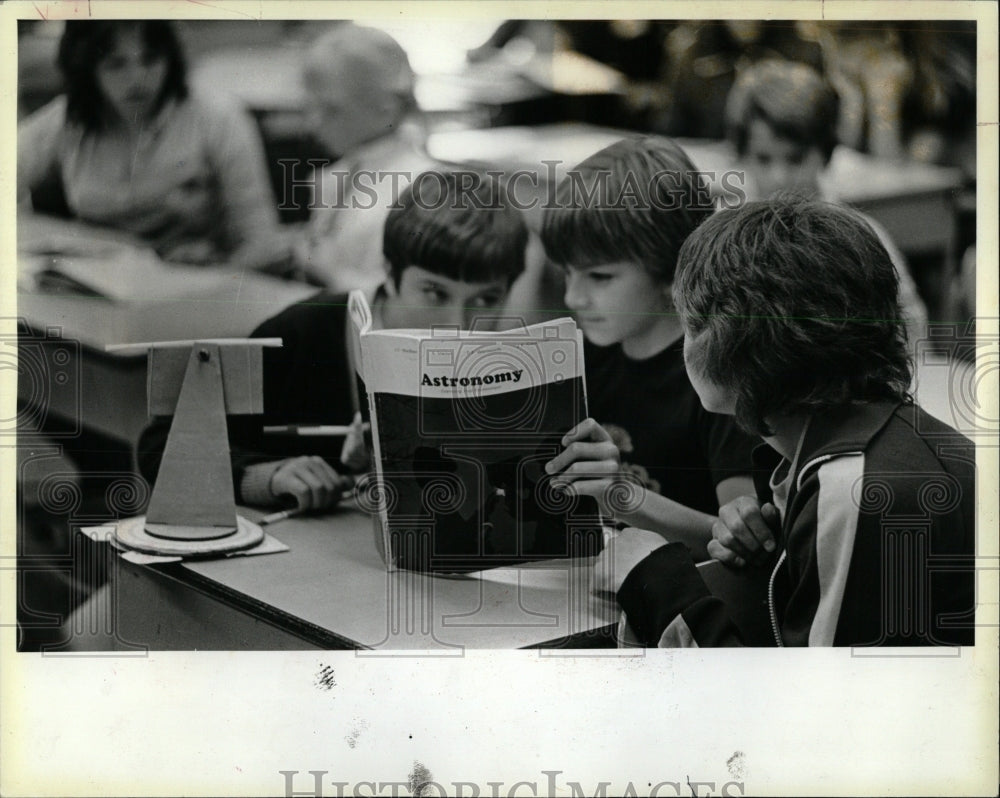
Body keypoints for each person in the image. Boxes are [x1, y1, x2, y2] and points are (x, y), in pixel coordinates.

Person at [598, 198, 975, 647]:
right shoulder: (877, 441)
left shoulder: (850, 487)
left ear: (736, 348)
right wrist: (778, 554)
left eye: (692, 326)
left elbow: (802, 705)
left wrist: (653, 576)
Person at [138, 170, 528, 512]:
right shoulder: (302, 333)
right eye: (433, 293)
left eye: (486, 299)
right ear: (389, 274)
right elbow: (161, 443)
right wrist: (268, 476)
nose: (456, 325)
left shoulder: (514, 363)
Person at [540, 136, 758, 561]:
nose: (573, 297)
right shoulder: (584, 354)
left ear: (672, 270)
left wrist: (623, 496)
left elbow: (742, 541)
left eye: (600, 277)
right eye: (567, 273)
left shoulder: (724, 375)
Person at [17, 20, 282, 267]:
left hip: (195, 285)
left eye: (151, 59)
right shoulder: (67, 119)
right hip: (97, 283)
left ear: (171, 58)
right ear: (87, 68)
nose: (137, 78)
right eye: (116, 64)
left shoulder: (218, 117)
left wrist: (216, 273)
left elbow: (263, 240)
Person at [724, 59, 928, 346]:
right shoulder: (726, 240)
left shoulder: (861, 238)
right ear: (741, 155)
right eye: (763, 159)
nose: (779, 177)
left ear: (826, 152)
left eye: (796, 159)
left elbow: (910, 332)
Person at [291, 23, 438, 292]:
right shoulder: (334, 178)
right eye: (309, 107)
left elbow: (406, 302)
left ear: (385, 109)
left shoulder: (418, 192)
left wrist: (334, 275)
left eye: (330, 109)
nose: (312, 124)